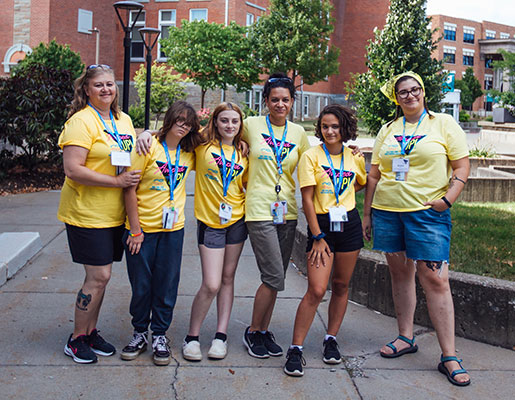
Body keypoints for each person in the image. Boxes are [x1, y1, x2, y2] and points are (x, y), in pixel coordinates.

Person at [362, 71, 471, 387]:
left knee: (435, 279)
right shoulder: (388, 129)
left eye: (415, 90)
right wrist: (367, 214)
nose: (410, 95)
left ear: (423, 92)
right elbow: (374, 174)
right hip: (388, 212)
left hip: (427, 214)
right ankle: (405, 337)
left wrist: (448, 199)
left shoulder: (443, 124)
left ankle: (449, 355)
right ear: (396, 99)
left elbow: (462, 165)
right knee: (400, 274)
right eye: (403, 92)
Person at [58, 64, 140, 364]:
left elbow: (129, 154)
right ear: (86, 90)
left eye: (110, 84)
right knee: (98, 276)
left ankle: (91, 331)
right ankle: (76, 337)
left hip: (113, 213)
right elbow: (73, 168)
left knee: (102, 279)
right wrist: (117, 182)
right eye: (99, 85)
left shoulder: (123, 120)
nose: (106, 89)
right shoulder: (81, 122)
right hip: (86, 212)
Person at [283, 105, 366, 376]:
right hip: (323, 226)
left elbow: (360, 182)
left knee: (341, 285)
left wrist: (342, 194)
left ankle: (331, 338)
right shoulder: (311, 156)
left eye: (335, 126)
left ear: (345, 129)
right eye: (325, 126)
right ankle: (295, 349)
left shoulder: (354, 156)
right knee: (317, 290)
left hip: (349, 223)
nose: (330, 131)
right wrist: (317, 235)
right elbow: (307, 198)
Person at [120, 101, 201, 366]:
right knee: (142, 284)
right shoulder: (147, 147)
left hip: (173, 230)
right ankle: (140, 332)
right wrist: (135, 230)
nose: (183, 126)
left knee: (167, 284)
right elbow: (128, 188)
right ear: (169, 120)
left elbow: (220, 138)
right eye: (179, 120)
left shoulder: (190, 152)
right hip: (142, 230)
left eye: (188, 123)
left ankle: (159, 334)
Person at [242, 73, 311, 359]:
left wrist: (350, 151)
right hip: (259, 209)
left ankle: (263, 330)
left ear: (293, 102)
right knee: (272, 276)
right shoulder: (250, 125)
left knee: (277, 277)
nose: (279, 104)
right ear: (266, 102)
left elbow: (314, 163)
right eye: (274, 100)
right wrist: (150, 134)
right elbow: (211, 134)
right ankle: (252, 330)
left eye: (285, 100)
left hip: (287, 212)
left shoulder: (298, 134)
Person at [182, 102, 248, 361]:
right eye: (224, 121)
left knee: (228, 278)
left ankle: (220, 335)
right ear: (215, 123)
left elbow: (243, 183)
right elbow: (170, 138)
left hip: (236, 221)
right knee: (211, 283)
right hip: (210, 222)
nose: (230, 126)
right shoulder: (201, 148)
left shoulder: (244, 152)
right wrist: (145, 134)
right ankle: (192, 337)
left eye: (234, 121)